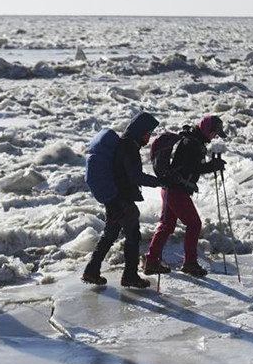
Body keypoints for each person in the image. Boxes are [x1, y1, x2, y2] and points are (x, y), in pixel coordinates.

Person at [81, 112, 160, 289]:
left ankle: (91, 270)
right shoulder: (129, 147)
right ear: (141, 132)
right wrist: (159, 182)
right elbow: (135, 176)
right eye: (148, 133)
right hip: (122, 198)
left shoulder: (124, 144)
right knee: (133, 235)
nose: (149, 137)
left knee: (110, 234)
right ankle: (130, 276)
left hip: (113, 198)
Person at [143, 115, 227, 277]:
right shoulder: (191, 143)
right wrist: (211, 166)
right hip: (176, 191)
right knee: (194, 224)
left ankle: (152, 261)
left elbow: (189, 167)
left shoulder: (193, 141)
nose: (214, 137)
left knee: (166, 226)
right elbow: (191, 167)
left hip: (170, 189)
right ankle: (189, 263)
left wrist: (211, 166)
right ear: (206, 130)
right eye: (214, 133)